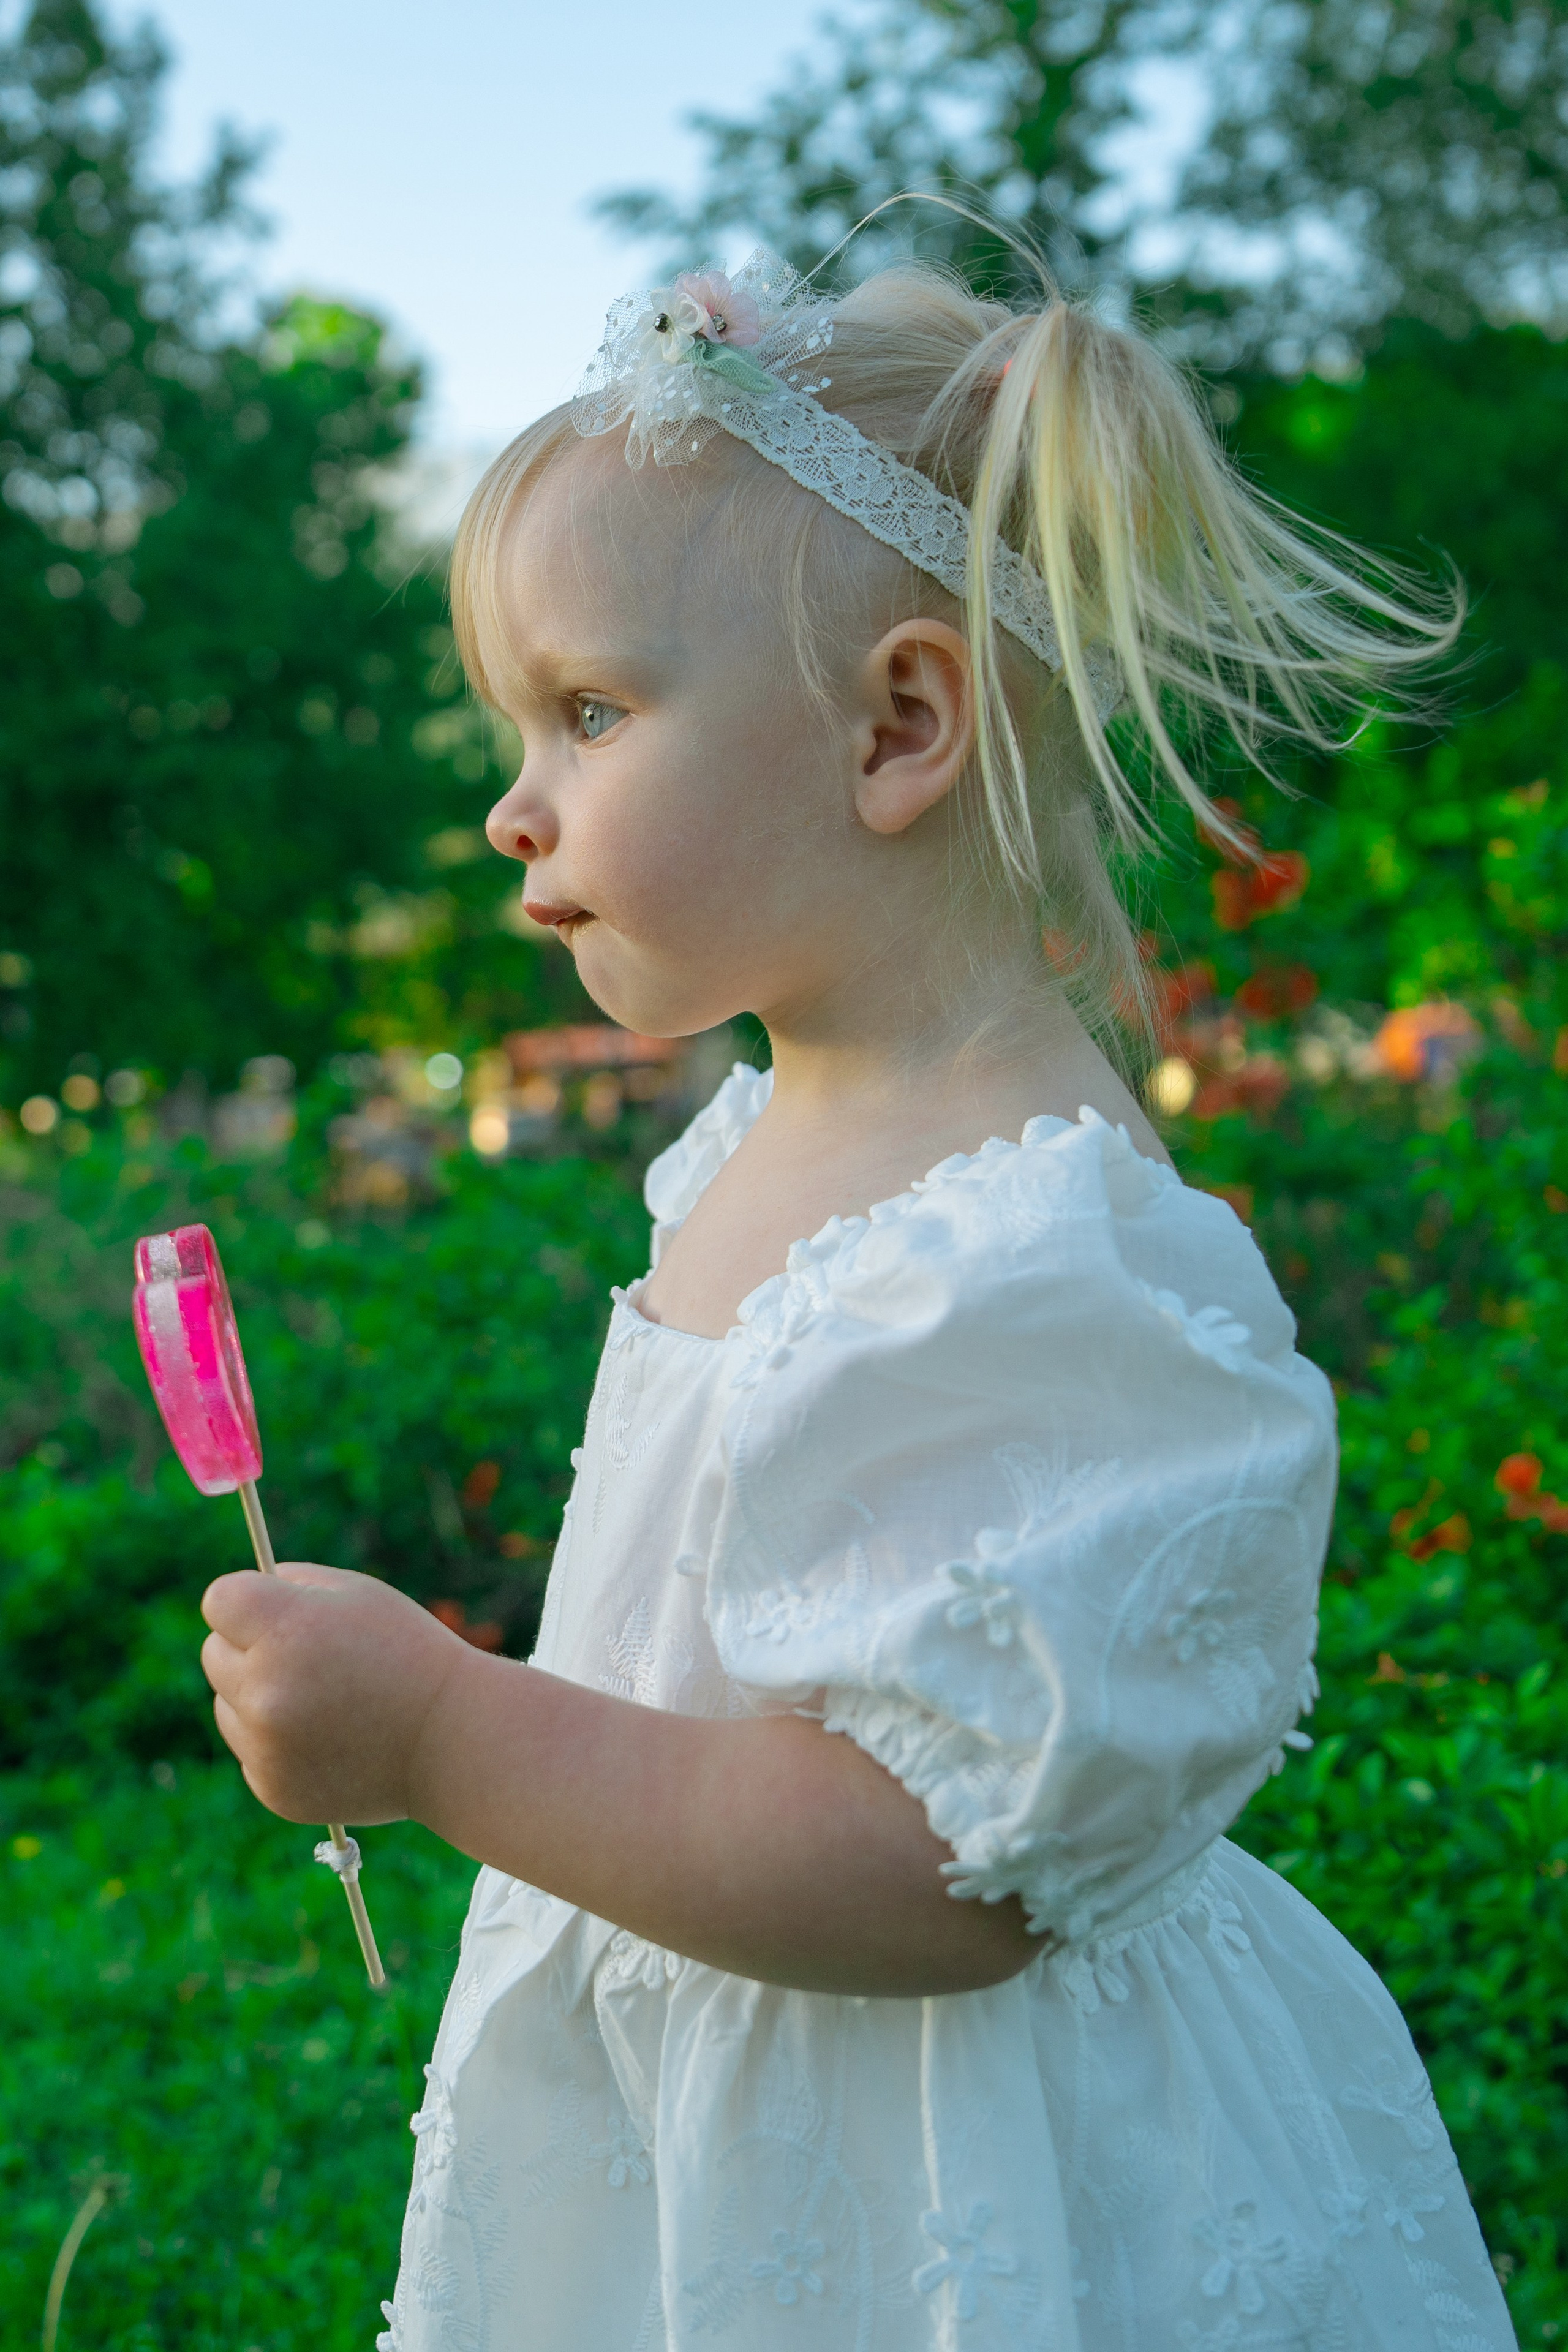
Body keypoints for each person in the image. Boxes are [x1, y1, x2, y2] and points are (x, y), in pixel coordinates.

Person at [199, 243, 1517, 2351]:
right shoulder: (757, 1139)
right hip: (721, 2110)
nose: (511, 805)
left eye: (589, 712)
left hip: (935, 2175)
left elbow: (933, 1867)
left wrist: (445, 1730)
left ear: (900, 724)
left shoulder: (1035, 1256)